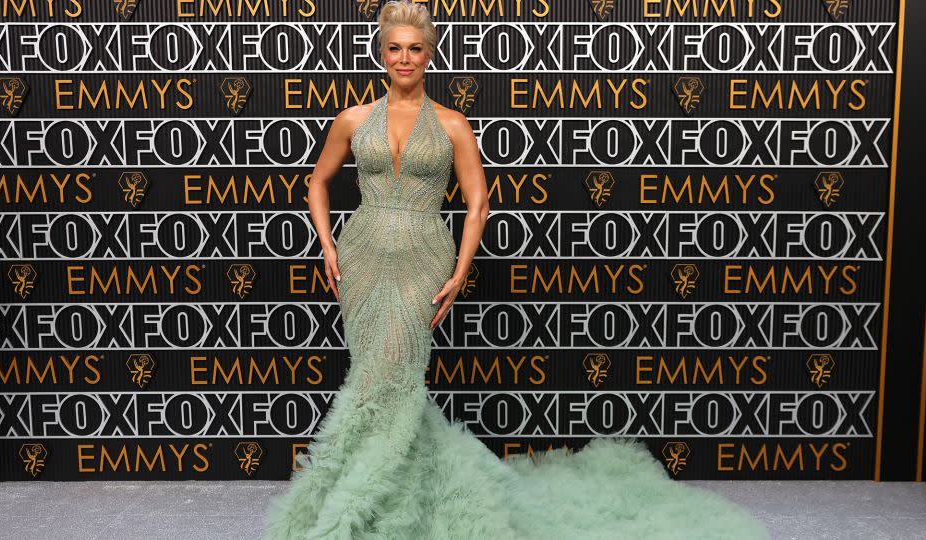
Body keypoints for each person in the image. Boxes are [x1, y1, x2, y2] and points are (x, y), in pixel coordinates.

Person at [263, 2, 770, 538]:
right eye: (395, 48)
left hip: (425, 257)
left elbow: (477, 203)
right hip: (361, 257)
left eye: (415, 48)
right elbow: (317, 182)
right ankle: (397, 500)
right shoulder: (353, 119)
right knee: (377, 375)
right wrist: (326, 244)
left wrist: (460, 271)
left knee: (393, 375)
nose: (404, 58)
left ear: (429, 54)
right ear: (380, 52)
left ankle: (357, 505)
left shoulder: (454, 124)